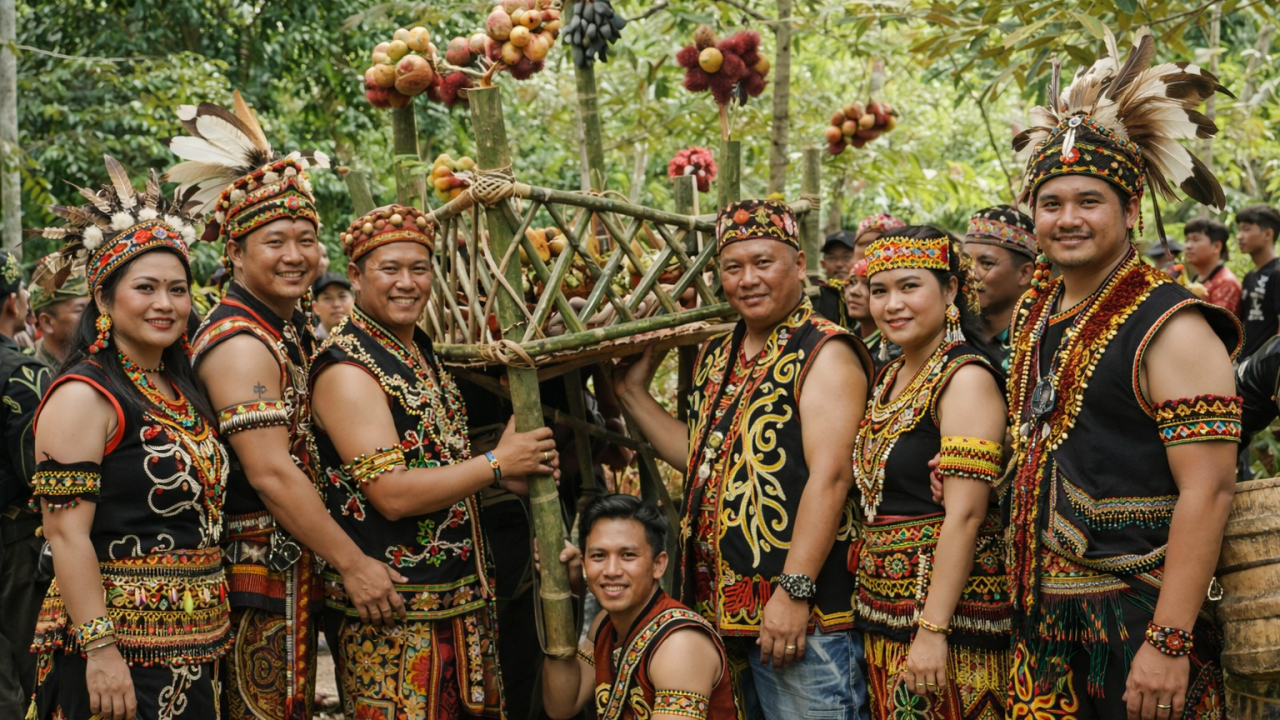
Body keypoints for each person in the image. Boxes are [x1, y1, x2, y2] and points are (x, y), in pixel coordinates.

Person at [1005, 27, 1240, 717]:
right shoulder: (1037, 312)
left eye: (1089, 202)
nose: (1067, 219)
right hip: (1040, 627)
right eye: (1052, 204)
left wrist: (1169, 642)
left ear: (1131, 210)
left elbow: (1211, 490)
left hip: (1138, 623)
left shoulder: (1175, 326)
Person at [166, 91, 403, 720]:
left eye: (306, 239)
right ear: (235, 254)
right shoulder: (241, 342)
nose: (295, 255)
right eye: (275, 241)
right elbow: (269, 472)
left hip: (293, 560)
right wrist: (354, 563)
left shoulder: (285, 326)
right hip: (258, 570)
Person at [616, 199, 872, 720]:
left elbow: (832, 476)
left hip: (804, 616)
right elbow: (703, 459)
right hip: (719, 613)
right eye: (733, 267)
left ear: (799, 266)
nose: (748, 279)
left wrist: (793, 592)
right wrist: (630, 392)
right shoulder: (721, 350)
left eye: (764, 262)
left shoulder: (825, 350)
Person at [309, 203, 560, 718]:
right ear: (355, 276)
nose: (407, 283)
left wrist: (508, 471)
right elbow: (393, 493)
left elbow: (432, 457)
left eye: (419, 269)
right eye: (390, 269)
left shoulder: (418, 350)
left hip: (460, 598)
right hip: (397, 612)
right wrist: (495, 462)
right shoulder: (347, 369)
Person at [26, 157, 230, 720]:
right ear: (105, 301)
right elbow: (65, 534)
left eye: (178, 289)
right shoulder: (83, 396)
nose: (165, 303)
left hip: (195, 643)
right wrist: (101, 649)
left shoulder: (180, 387)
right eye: (146, 288)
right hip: (117, 655)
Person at [853, 228, 1010, 719]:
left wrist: (933, 630)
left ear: (950, 292)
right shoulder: (888, 378)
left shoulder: (966, 380)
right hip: (884, 616)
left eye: (909, 286)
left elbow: (966, 515)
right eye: (880, 291)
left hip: (952, 624)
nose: (891, 304)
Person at [541, 494, 738, 720]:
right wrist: (558, 595)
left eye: (628, 555)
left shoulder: (679, 644)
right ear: (584, 562)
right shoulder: (604, 625)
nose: (611, 570)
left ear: (658, 564)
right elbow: (563, 704)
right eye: (598, 556)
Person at [0, 248, 52, 719]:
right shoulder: (23, 374)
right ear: (14, 303)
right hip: (14, 547)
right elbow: (41, 475)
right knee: (33, 675)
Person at [962, 205, 1037, 370]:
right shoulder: (950, 331)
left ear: (1025, 273)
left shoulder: (1041, 342)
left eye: (986, 264)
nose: (970, 274)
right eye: (966, 262)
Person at [28, 252, 91, 369]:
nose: (91, 317)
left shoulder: (100, 359)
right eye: (79, 310)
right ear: (47, 322)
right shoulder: (31, 374)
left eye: (91, 308)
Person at [1236, 204, 1280, 360]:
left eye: (1246, 229)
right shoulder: (1249, 276)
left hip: (1267, 369)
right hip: (1247, 364)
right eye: (1239, 230)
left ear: (1268, 233)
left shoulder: (1277, 272)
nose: (1239, 236)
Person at [844, 259, 900, 372]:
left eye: (866, 284)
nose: (853, 291)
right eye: (852, 282)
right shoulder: (844, 339)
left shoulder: (895, 350)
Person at [814, 230, 857, 328]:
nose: (839, 264)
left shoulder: (870, 293)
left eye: (847, 257)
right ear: (823, 264)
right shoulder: (817, 296)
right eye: (832, 258)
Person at [311, 271, 353, 340]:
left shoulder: (366, 339)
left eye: (342, 297)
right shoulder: (308, 343)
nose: (336, 304)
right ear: (316, 307)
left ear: (352, 301)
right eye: (328, 298)